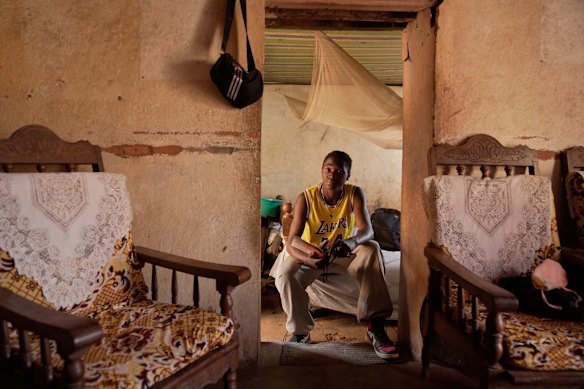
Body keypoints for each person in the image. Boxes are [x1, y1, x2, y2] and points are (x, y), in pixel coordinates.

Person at [270, 150, 398, 360]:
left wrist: (351, 241)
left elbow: (367, 230)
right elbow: (292, 240)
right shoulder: (306, 197)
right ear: (322, 172)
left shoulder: (354, 193)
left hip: (341, 251)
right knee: (285, 274)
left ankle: (375, 326)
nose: (332, 174)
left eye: (339, 171)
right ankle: (301, 331)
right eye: (328, 169)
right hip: (311, 250)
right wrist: (309, 258)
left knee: (372, 248)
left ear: (347, 176)